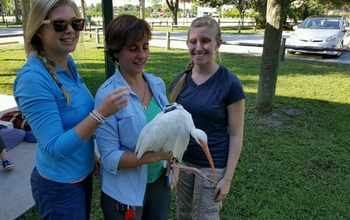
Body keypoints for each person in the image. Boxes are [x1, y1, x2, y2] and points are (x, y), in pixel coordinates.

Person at [13, 0, 129, 219]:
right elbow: (55, 148)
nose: (70, 30)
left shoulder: (66, 63)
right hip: (58, 187)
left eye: (76, 23)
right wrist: (101, 113)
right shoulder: (33, 80)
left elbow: (73, 121)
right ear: (39, 30)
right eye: (59, 24)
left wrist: (90, 152)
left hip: (80, 176)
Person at [94, 14, 173, 220]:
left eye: (145, 46)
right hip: (125, 191)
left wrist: (172, 163)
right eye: (133, 48)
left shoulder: (157, 84)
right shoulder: (107, 95)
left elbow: (166, 130)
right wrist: (156, 156)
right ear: (116, 52)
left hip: (159, 182)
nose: (142, 55)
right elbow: (109, 158)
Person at [169, 16, 246, 220]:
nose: (199, 47)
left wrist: (227, 178)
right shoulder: (180, 81)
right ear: (187, 44)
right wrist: (173, 163)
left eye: (205, 41)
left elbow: (236, 135)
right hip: (183, 164)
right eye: (193, 41)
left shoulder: (230, 84)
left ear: (217, 44)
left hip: (213, 167)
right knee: (183, 215)